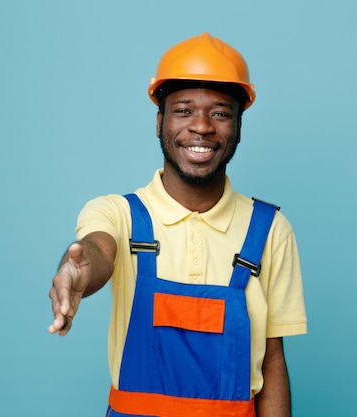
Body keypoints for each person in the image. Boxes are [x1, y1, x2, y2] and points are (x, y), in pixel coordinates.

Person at [48, 32, 307, 417]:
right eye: (183, 110)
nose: (201, 126)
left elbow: (272, 360)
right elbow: (98, 250)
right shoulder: (119, 214)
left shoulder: (269, 230)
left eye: (220, 113)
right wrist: (78, 269)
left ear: (238, 126)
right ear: (160, 122)